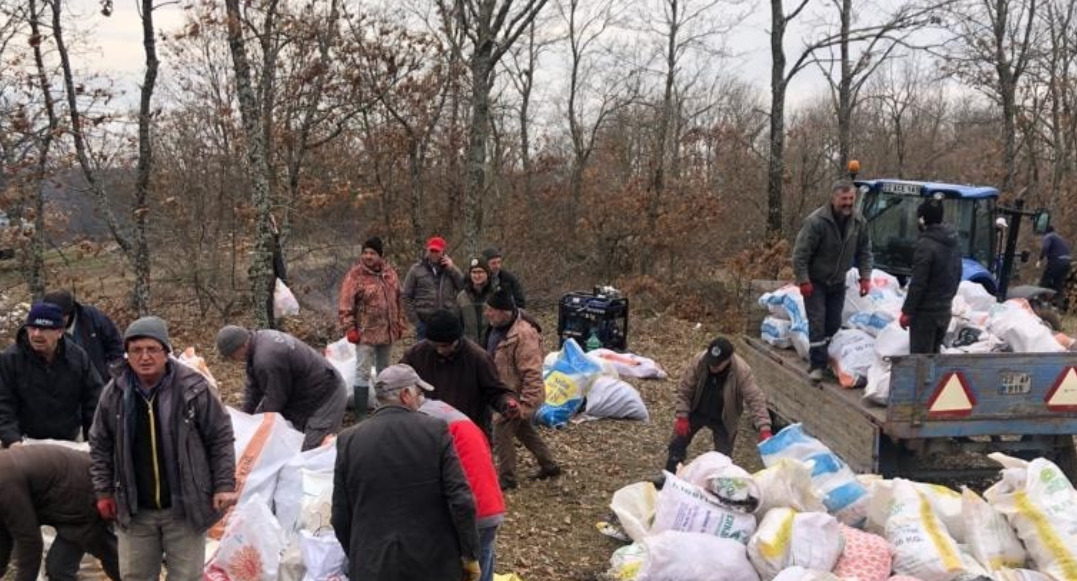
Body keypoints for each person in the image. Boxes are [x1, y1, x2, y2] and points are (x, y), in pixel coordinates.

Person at [89, 316, 237, 581]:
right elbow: (100, 443)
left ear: (166, 353)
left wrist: (224, 483)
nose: (144, 357)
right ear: (127, 354)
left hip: (185, 507)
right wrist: (103, 491)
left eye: (152, 349)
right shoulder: (114, 393)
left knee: (186, 577)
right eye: (136, 350)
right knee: (135, 576)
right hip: (135, 510)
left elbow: (221, 436)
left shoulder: (193, 388)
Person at [332, 364, 481, 581]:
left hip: (372, 564)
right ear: (405, 395)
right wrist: (470, 554)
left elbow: (340, 515)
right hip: (433, 562)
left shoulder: (349, 440)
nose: (420, 400)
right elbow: (461, 500)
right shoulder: (435, 431)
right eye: (418, 393)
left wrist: (360, 555)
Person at [215, 325, 347, 450]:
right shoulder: (258, 340)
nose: (234, 360)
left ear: (242, 345)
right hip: (306, 394)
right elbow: (253, 388)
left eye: (233, 355)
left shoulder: (266, 359)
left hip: (327, 395)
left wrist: (256, 427)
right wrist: (245, 418)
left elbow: (275, 399)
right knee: (292, 441)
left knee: (312, 451)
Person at [0, 445, 120, 581]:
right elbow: (4, 534)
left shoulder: (4, 486)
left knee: (60, 568)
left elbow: (29, 542)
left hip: (85, 496)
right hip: (75, 493)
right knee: (111, 557)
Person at [792, 180, 873, 381]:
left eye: (851, 199)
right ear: (834, 198)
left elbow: (865, 251)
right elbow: (800, 255)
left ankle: (829, 359)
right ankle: (817, 366)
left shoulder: (858, 222)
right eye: (843, 199)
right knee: (817, 321)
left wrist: (865, 277)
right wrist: (803, 280)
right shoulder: (817, 222)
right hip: (816, 281)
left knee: (834, 323)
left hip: (838, 282)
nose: (847, 203)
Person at [399, 310, 522, 437]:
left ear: (456, 339)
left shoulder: (477, 358)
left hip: (468, 429)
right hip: (429, 432)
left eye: (446, 346)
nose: (440, 350)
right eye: (435, 345)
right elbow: (398, 381)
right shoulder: (415, 355)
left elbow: (495, 391)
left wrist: (506, 404)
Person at [419, 398, 504, 581]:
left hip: (471, 508)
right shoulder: (449, 415)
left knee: (468, 569)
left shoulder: (429, 423)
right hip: (490, 503)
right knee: (483, 563)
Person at [484, 288, 560, 490]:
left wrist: (524, 406)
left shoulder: (524, 335)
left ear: (505, 312)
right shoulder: (496, 327)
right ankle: (549, 465)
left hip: (517, 396)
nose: (487, 313)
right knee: (524, 430)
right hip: (503, 391)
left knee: (501, 430)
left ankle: (507, 478)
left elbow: (533, 374)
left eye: (491, 310)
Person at [0, 302, 103, 448]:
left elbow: (94, 400)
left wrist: (95, 442)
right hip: (24, 442)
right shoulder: (10, 359)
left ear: (59, 332)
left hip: (69, 441)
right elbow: (3, 405)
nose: (36, 334)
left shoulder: (77, 357)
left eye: (43, 329)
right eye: (32, 328)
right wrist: (12, 439)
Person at [665, 337, 772, 474]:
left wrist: (764, 427)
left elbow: (755, 399)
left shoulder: (741, 371)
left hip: (724, 417)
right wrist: (682, 416)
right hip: (697, 409)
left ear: (728, 360)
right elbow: (685, 389)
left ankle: (718, 486)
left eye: (717, 365)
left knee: (723, 459)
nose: (712, 367)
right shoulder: (700, 361)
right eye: (711, 363)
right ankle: (669, 474)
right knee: (677, 443)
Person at [338, 236, 407, 418]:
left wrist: (399, 322)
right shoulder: (355, 275)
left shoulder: (389, 273)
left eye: (372, 253)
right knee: (363, 372)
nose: (368, 256)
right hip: (364, 333)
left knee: (384, 370)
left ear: (380, 256)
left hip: (387, 332)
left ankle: (384, 408)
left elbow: (399, 297)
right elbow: (346, 304)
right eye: (365, 253)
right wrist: (349, 328)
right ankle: (361, 415)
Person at [899, 200, 962, 354]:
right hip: (944, 310)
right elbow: (957, 273)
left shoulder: (926, 245)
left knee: (920, 361)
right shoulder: (953, 242)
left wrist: (907, 311)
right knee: (934, 357)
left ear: (922, 219)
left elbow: (918, 282)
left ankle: (921, 380)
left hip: (925, 314)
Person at [42, 290, 124, 380]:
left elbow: (116, 347)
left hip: (101, 384)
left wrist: (112, 373)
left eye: (59, 317)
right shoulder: (41, 328)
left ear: (70, 312)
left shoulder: (93, 318)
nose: (55, 321)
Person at [402, 236, 466, 340]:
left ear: (443, 252)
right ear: (427, 250)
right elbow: (406, 296)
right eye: (432, 251)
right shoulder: (416, 270)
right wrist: (417, 323)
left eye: (437, 251)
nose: (434, 254)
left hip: (448, 322)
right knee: (425, 355)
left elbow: (464, 288)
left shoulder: (450, 269)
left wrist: (452, 269)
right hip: (425, 324)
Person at [458, 257, 494, 343]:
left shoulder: (495, 295)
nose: (477, 276)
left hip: (491, 346)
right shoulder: (462, 297)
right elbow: (457, 324)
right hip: (469, 347)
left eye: (480, 272)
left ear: (487, 274)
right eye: (474, 272)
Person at [1037, 225, 1071, 308]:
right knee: (1058, 284)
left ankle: (1039, 301)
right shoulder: (1059, 238)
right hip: (1067, 261)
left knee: (1044, 280)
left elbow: (1045, 247)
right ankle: (1060, 305)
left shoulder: (1049, 236)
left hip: (1057, 261)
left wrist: (1040, 260)